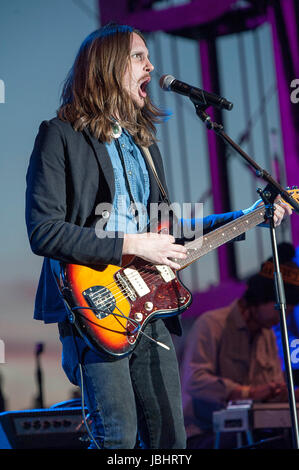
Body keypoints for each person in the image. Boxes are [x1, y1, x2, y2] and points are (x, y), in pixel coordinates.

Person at [25, 23, 291, 449]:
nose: (151, 66)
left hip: (151, 305)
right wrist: (132, 243)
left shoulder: (143, 144)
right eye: (138, 57)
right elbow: (44, 230)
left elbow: (169, 226)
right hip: (94, 304)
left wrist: (247, 216)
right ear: (108, 66)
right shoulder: (60, 135)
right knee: (118, 438)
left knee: (171, 439)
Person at [181, 242, 299, 449]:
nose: (283, 318)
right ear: (261, 300)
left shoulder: (267, 335)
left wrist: (286, 394)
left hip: (251, 431)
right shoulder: (212, 324)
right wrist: (247, 393)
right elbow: (195, 381)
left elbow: (270, 392)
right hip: (204, 433)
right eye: (282, 311)